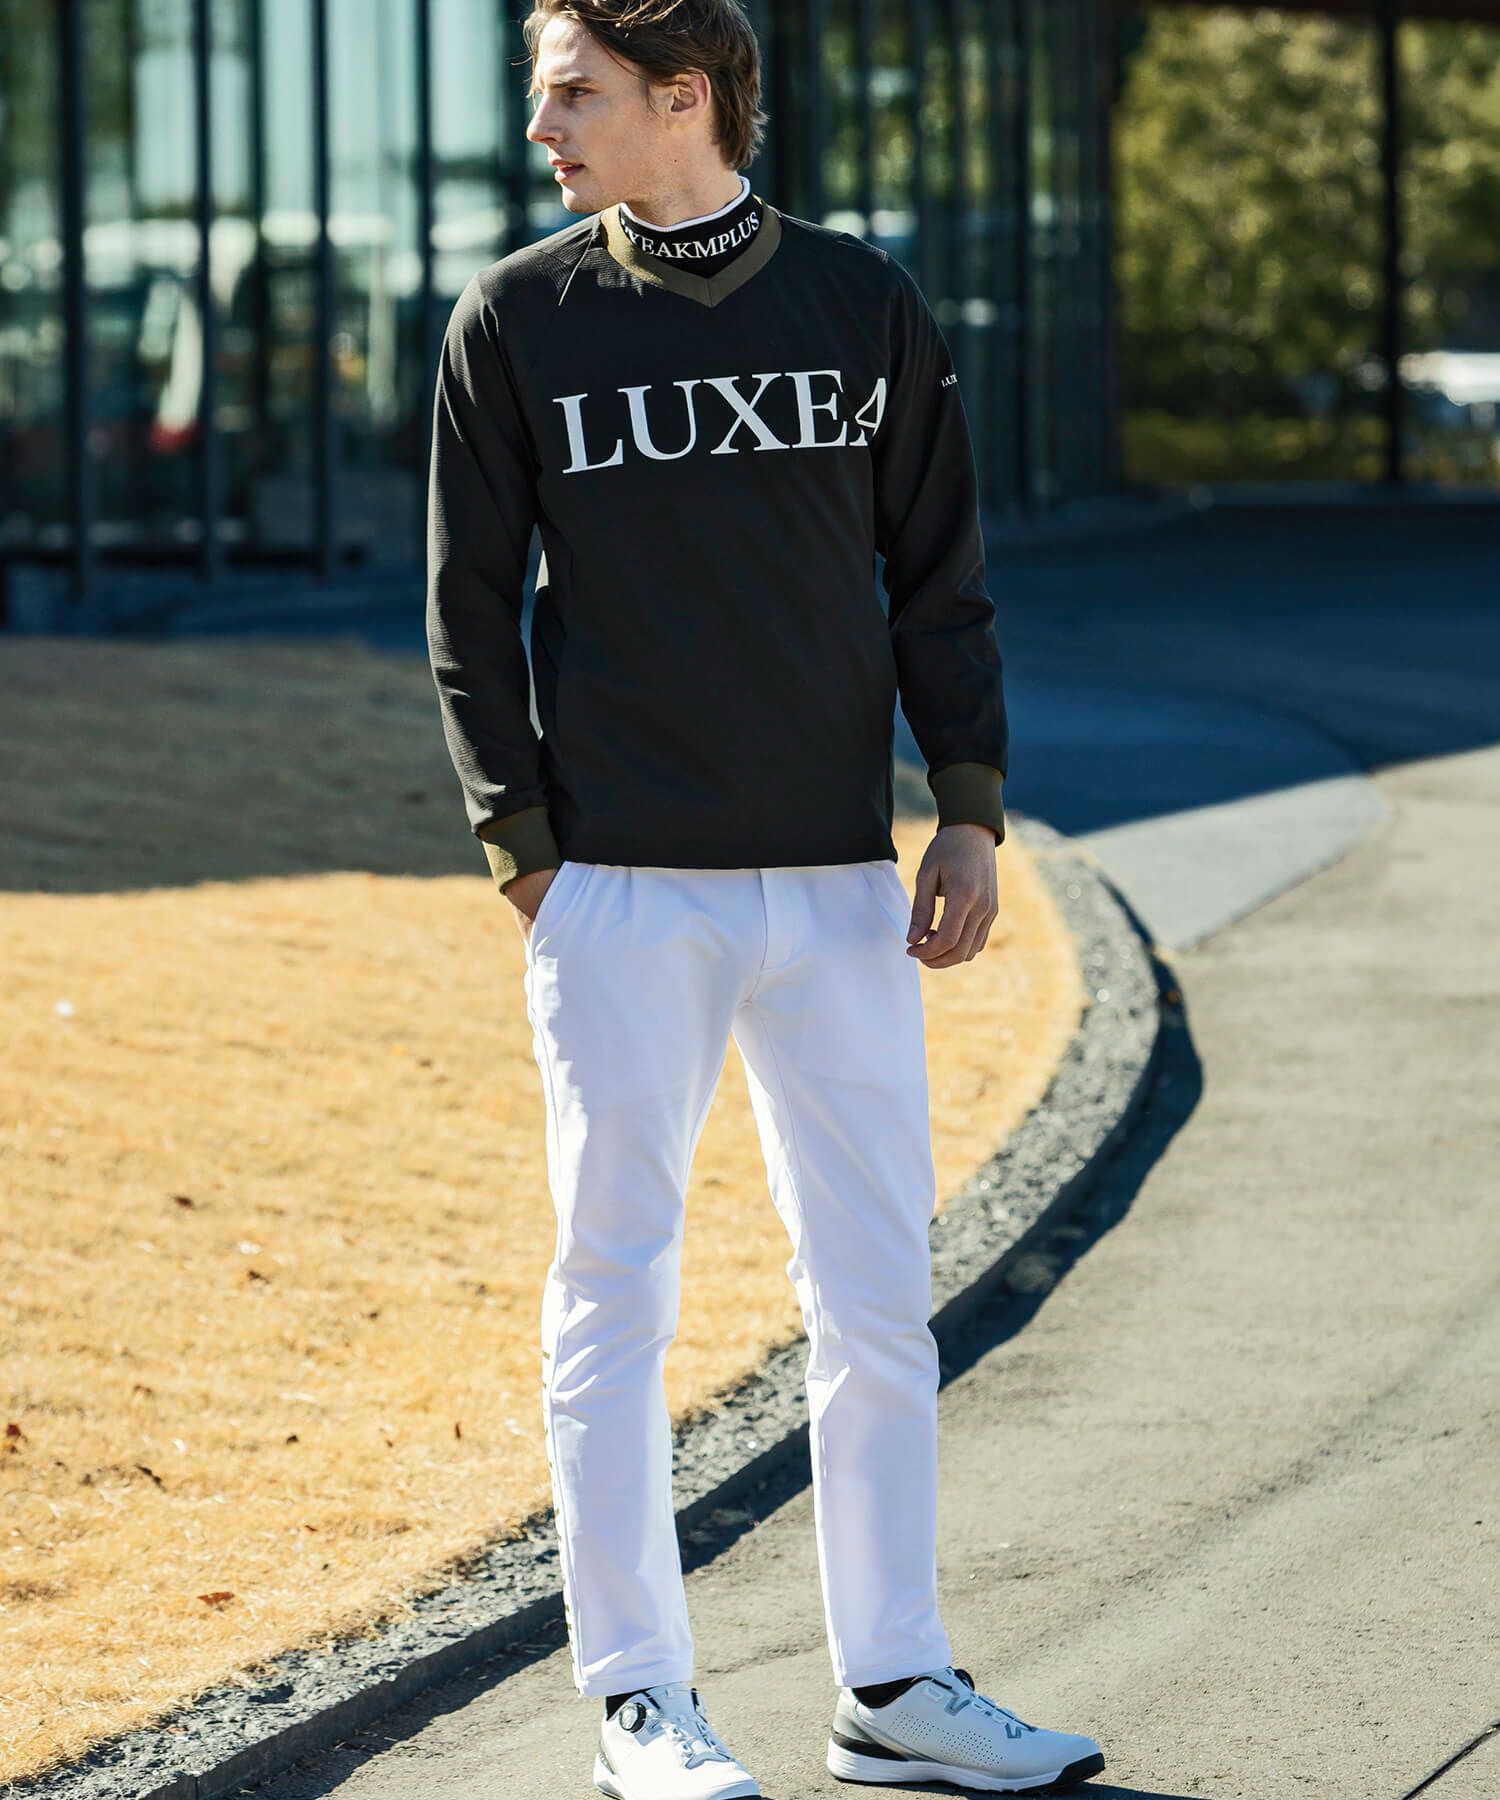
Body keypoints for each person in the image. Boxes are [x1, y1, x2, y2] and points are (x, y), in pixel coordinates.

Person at [426, 2, 1106, 1795]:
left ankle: (896, 1685)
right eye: (543, 94)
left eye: (574, 93)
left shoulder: (861, 301)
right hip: (619, 891)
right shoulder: (516, 318)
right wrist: (529, 855)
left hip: (835, 886)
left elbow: (937, 575)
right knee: (615, 1293)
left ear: (687, 98)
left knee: (876, 1293)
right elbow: (467, 608)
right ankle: (641, 1701)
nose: (544, 126)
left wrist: (969, 806)